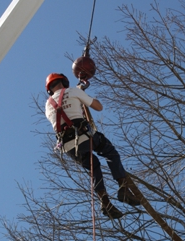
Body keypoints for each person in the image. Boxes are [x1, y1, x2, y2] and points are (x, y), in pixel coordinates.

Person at [45, 73, 140, 219]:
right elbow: (98, 107)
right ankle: (123, 190)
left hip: (68, 146)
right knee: (110, 152)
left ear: (50, 89)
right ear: (64, 82)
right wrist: (82, 92)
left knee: (93, 167)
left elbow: (65, 111)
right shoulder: (73, 91)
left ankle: (105, 202)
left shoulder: (48, 105)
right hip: (83, 135)